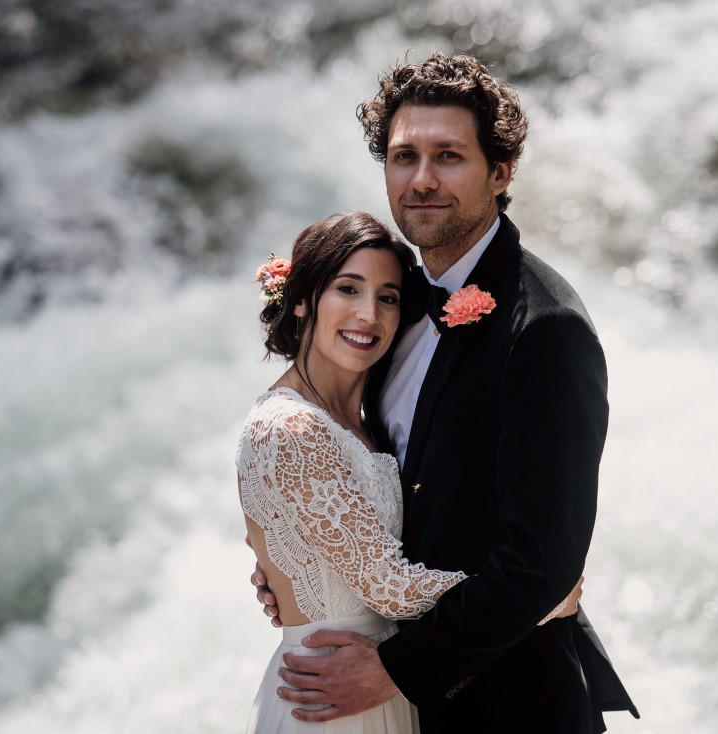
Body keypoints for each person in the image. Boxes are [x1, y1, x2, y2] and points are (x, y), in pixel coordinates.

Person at [253, 53, 640, 732]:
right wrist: (306, 564)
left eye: (449, 156)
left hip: (509, 704)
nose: (422, 180)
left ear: (500, 172)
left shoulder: (547, 329)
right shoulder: (389, 303)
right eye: (405, 157)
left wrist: (395, 669)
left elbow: (542, 562)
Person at [236, 211, 581, 733]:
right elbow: (388, 586)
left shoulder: (360, 415)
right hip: (329, 693)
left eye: (389, 297)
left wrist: (298, 572)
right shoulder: (289, 427)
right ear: (302, 298)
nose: (368, 315)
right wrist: (537, 600)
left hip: (386, 682)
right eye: (347, 289)